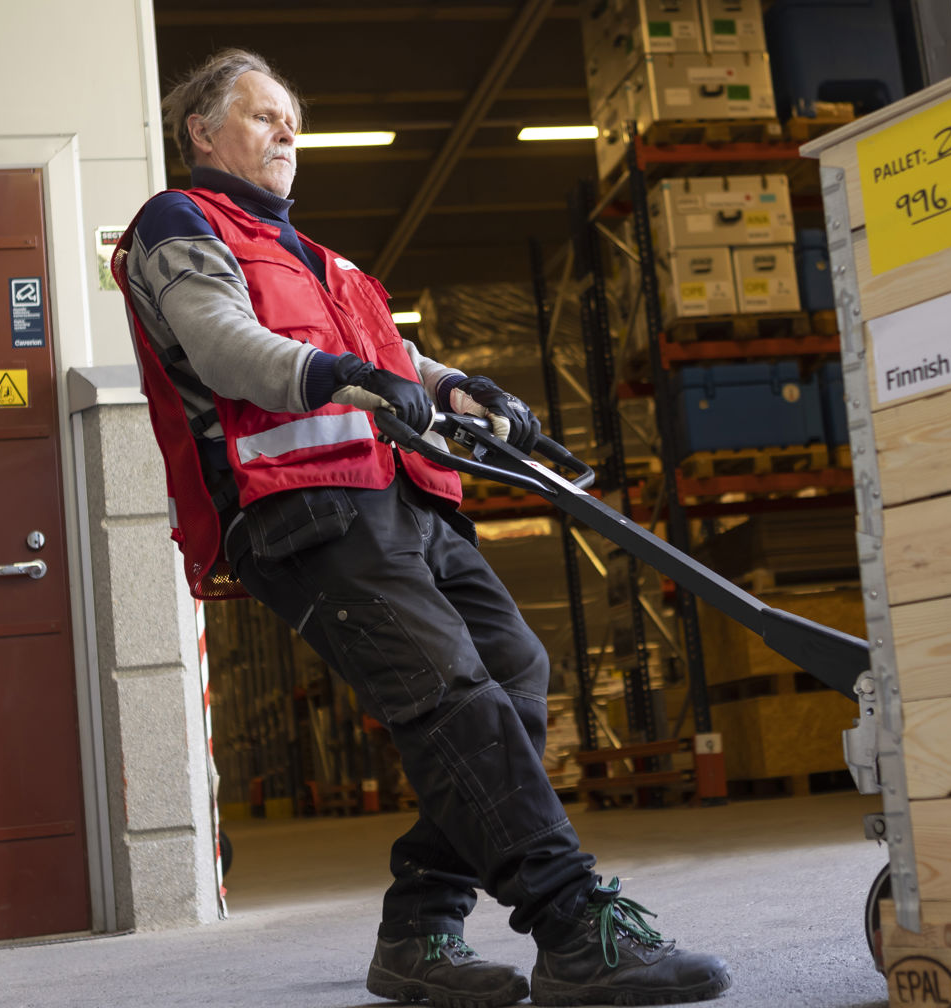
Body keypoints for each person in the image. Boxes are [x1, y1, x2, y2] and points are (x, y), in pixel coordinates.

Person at [111, 47, 732, 1008]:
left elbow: (392, 353)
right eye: (266, 114)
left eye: (293, 119)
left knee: (516, 674)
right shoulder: (179, 223)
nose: (289, 133)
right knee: (450, 692)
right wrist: (343, 380)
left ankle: (419, 933)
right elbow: (224, 347)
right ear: (201, 131)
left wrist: (459, 386)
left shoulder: (323, 261)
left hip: (405, 497)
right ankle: (574, 928)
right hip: (301, 509)